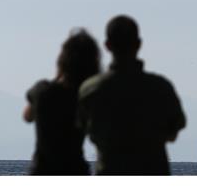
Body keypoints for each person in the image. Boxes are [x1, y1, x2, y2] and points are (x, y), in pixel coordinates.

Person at [77, 15, 186, 175]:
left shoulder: (90, 90)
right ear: (138, 44)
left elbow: (84, 129)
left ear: (107, 45)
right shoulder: (161, 88)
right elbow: (173, 133)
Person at [23, 29, 101, 175]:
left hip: (43, 172)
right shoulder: (87, 98)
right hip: (75, 170)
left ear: (62, 61)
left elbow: (27, 116)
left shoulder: (42, 91)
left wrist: (57, 77)